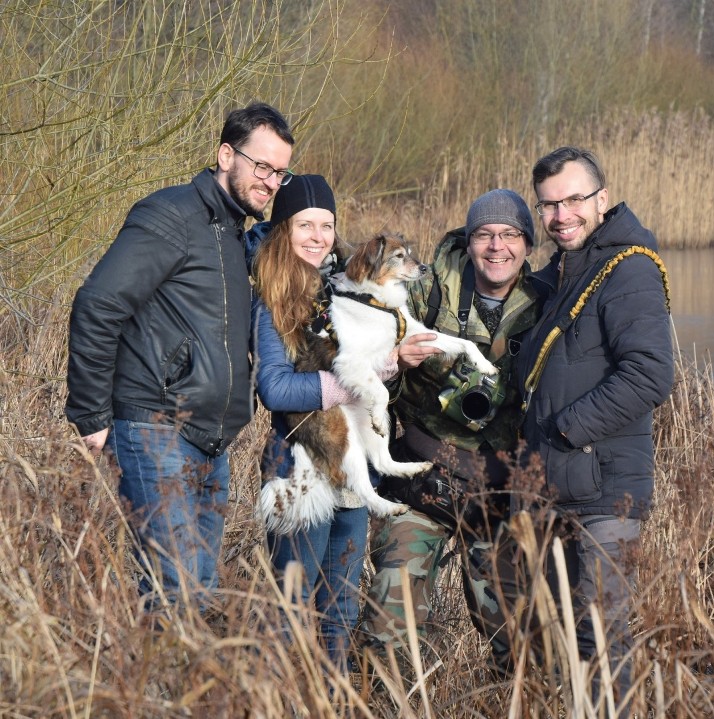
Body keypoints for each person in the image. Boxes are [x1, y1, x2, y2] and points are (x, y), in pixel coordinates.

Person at [65, 102, 295, 612]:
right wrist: (90, 415)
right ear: (225, 154)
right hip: (155, 429)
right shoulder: (171, 215)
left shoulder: (237, 236)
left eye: (280, 172)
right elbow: (99, 304)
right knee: (178, 597)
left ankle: (161, 689)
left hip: (212, 444)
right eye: (262, 167)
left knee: (196, 598)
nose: (271, 182)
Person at [509, 146, 673, 708]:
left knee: (603, 643)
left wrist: (564, 431)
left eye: (574, 200)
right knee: (561, 648)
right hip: (557, 492)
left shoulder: (627, 269)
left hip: (606, 496)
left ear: (601, 199)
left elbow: (650, 375)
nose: (561, 215)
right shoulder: (562, 274)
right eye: (549, 205)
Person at [358, 189, 541, 671]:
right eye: (484, 234)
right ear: (469, 238)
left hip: (498, 492)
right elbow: (355, 353)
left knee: (519, 632)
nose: (496, 246)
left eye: (509, 235)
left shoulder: (547, 305)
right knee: (390, 609)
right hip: (423, 477)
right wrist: (393, 363)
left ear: (527, 243)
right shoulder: (424, 289)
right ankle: (378, 697)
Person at [248, 174, 398, 670]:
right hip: (300, 464)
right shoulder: (272, 297)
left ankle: (333, 697)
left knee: (341, 605)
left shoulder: (351, 289)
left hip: (352, 467)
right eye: (305, 225)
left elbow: (369, 372)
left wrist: (390, 365)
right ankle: (276, 699)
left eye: (327, 225)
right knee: (289, 606)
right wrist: (354, 383)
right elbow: (275, 388)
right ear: (283, 230)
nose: (318, 236)